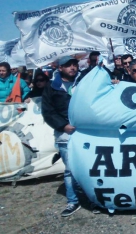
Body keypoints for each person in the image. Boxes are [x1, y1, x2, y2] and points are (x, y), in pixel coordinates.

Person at [41, 56, 85, 217]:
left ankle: (93, 199)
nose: (73, 68)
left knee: (89, 168)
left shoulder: (84, 83)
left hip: (85, 134)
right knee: (70, 169)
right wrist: (63, 126)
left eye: (74, 65)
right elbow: (48, 111)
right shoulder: (52, 87)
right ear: (60, 68)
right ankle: (73, 201)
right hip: (65, 135)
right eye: (68, 65)